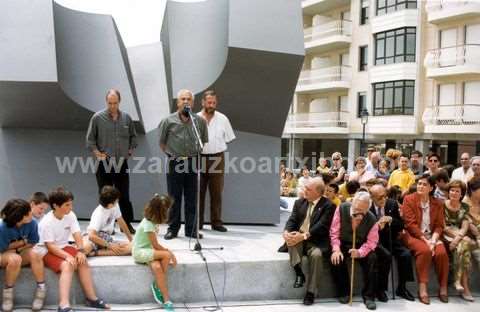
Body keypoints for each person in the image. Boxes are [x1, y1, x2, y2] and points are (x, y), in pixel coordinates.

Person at [38, 187, 109, 312]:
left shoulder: (70, 215)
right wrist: (67, 256)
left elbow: (77, 234)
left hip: (64, 246)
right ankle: (63, 305)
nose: (71, 207)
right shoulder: (46, 222)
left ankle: (91, 298)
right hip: (46, 250)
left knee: (82, 260)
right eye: (67, 205)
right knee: (67, 265)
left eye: (71, 204)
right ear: (55, 205)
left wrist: (80, 251)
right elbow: (50, 246)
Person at [86, 89, 138, 234]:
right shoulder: (97, 118)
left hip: (121, 162)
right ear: (106, 101)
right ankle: (105, 227)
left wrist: (130, 150)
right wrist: (97, 153)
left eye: (115, 103)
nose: (112, 106)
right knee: (105, 196)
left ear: (119, 102)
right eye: (110, 103)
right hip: (104, 162)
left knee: (124, 195)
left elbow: (133, 137)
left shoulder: (127, 118)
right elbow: (90, 140)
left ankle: (125, 224)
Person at [158, 89, 208, 240]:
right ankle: (173, 229)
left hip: (192, 161)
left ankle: (191, 230)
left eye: (188, 99)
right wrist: (171, 155)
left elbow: (203, 141)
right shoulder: (168, 121)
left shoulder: (199, 121)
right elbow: (162, 142)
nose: (186, 101)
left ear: (192, 103)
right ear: (178, 102)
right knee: (174, 197)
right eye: (182, 99)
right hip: (175, 162)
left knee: (192, 198)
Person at [283, 177, 336, 305]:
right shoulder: (299, 202)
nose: (304, 191)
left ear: (318, 192)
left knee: (317, 256)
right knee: (291, 239)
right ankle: (299, 272)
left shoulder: (329, 206)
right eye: (305, 188)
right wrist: (286, 232)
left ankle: (310, 292)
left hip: (316, 241)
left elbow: (322, 226)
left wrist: (304, 235)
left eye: (308, 189)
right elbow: (292, 220)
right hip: (299, 238)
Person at [400, 174, 449, 304]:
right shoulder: (409, 199)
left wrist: (433, 240)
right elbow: (410, 224)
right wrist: (427, 242)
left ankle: (443, 287)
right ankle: (423, 287)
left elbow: (439, 225)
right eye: (419, 183)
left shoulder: (437, 203)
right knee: (425, 251)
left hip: (431, 236)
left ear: (431, 188)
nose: (420, 186)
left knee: (441, 253)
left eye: (424, 184)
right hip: (412, 235)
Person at [330, 192, 379, 310]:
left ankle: (369, 296)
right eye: (356, 209)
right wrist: (336, 249)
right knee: (336, 258)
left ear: (367, 209)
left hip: (361, 245)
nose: (359, 213)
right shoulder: (342, 208)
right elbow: (334, 232)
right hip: (343, 242)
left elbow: (372, 242)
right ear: (353, 202)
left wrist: (360, 252)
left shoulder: (372, 218)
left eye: (363, 211)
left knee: (373, 258)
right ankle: (344, 292)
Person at [197, 90, 235, 232]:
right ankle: (198, 223)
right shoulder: (195, 118)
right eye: (209, 102)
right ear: (203, 102)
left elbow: (229, 138)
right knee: (198, 192)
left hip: (217, 158)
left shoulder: (223, 119)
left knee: (216, 192)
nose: (211, 105)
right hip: (199, 158)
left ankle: (216, 222)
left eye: (214, 102)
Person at [369, 185, 415, 302]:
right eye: (380, 198)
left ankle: (402, 287)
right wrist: (377, 225)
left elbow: (401, 225)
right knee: (385, 256)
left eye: (385, 196)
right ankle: (381, 289)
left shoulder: (392, 204)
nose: (384, 199)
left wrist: (391, 220)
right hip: (375, 241)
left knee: (406, 255)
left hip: (390, 238)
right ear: (372, 197)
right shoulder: (367, 206)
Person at [0, 199, 46, 312]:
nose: (31, 213)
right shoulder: (3, 228)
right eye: (28, 212)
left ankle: (41, 290)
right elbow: (3, 249)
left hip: (18, 251)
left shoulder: (32, 223)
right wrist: (23, 242)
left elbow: (33, 241)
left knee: (35, 254)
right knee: (15, 259)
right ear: (19, 217)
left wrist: (17, 246)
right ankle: (8, 295)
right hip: (2, 255)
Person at [132, 194, 177, 311]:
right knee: (167, 255)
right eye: (166, 209)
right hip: (140, 252)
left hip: (148, 250)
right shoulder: (148, 224)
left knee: (157, 268)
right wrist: (171, 253)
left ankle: (156, 285)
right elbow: (156, 245)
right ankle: (167, 299)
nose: (168, 211)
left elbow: (154, 246)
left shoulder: (152, 221)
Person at [441, 180, 473, 301]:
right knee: (464, 244)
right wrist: (457, 238)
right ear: (448, 192)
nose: (454, 193)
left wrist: (457, 238)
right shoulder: (442, 204)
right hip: (446, 235)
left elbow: (465, 226)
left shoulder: (464, 206)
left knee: (463, 246)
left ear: (461, 194)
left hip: (458, 235)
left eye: (457, 191)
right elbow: (443, 227)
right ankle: (464, 287)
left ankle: (458, 282)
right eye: (452, 190)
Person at [83, 186, 133, 257]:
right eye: (116, 200)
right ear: (110, 204)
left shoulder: (115, 205)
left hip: (106, 238)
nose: (118, 201)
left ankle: (95, 253)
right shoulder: (99, 213)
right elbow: (91, 236)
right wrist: (109, 245)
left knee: (132, 248)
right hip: (95, 238)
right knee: (85, 249)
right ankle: (92, 250)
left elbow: (121, 222)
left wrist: (131, 240)